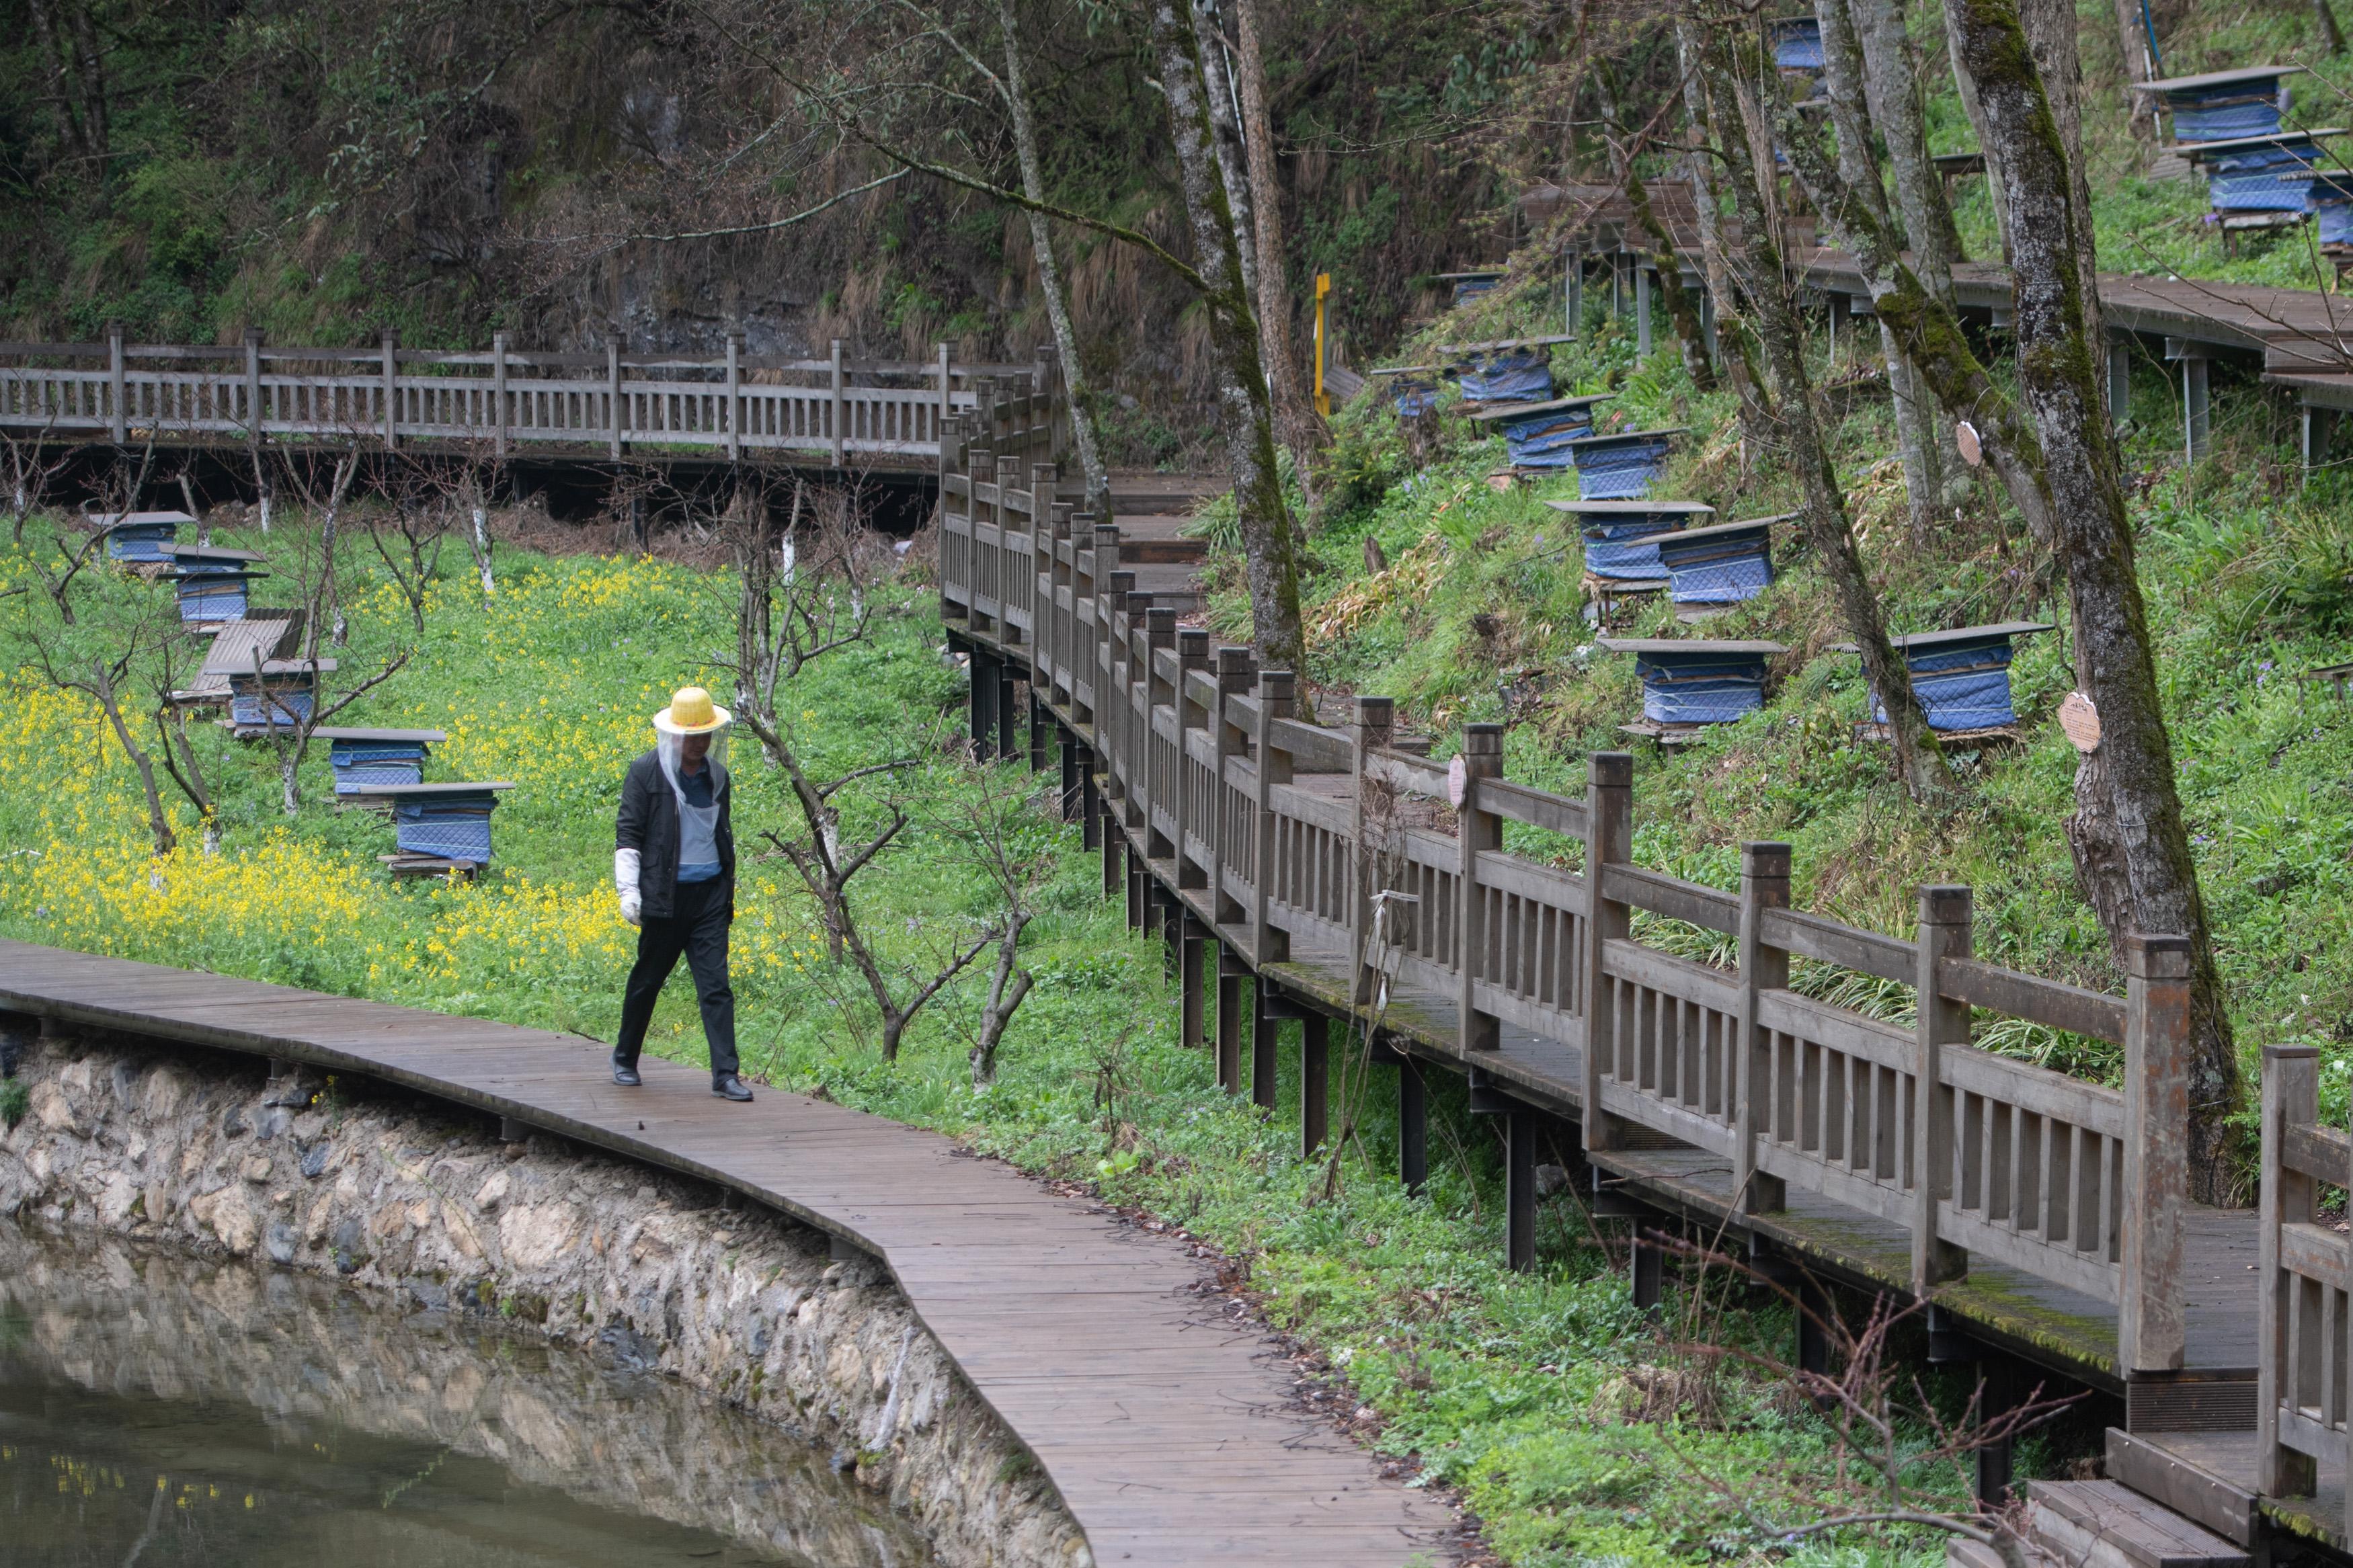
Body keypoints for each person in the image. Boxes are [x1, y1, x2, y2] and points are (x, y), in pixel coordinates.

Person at [612, 686, 754, 1101]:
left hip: (709, 896)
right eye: (691, 737)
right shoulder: (645, 772)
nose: (699, 745)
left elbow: (719, 833)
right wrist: (628, 890)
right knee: (648, 979)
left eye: (705, 736)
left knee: (716, 986)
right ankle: (624, 1058)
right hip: (664, 896)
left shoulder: (717, 776)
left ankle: (725, 1075)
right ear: (674, 735)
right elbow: (629, 833)